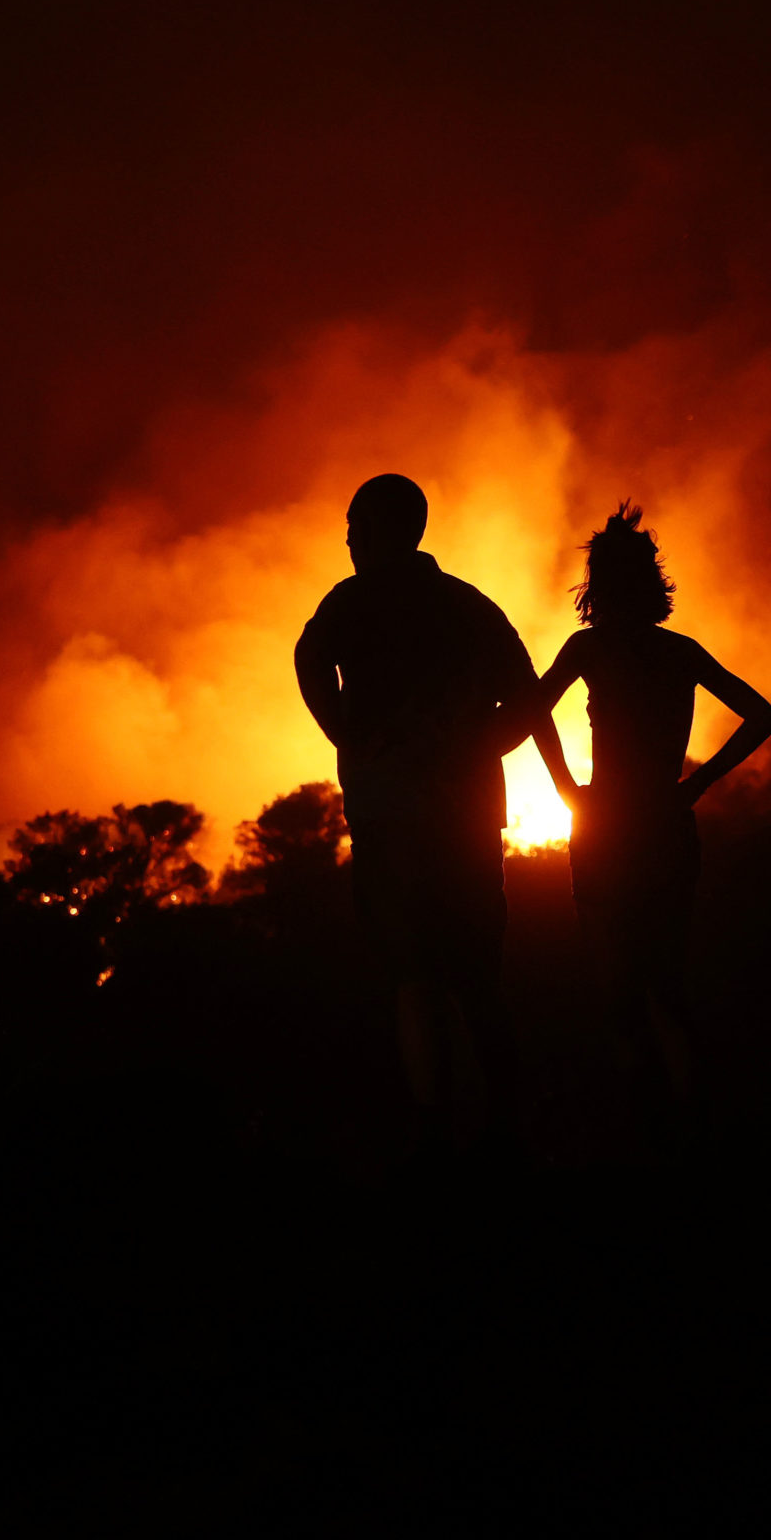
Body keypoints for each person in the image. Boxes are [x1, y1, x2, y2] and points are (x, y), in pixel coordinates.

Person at [294, 474, 542, 1144]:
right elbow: (527, 693)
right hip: (467, 817)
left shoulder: (352, 602)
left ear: (381, 530)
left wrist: (345, 733)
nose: (349, 541)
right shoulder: (467, 604)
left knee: (413, 975)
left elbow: (308, 659)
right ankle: (504, 1127)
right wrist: (482, 746)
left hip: (389, 817)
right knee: (478, 976)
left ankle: (435, 1133)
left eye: (356, 528)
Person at [525, 504, 771, 1117]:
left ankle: (648, 1119)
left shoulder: (589, 648)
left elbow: (532, 711)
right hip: (665, 823)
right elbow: (762, 716)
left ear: (596, 585)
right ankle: (689, 1117)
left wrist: (566, 787)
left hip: (605, 826)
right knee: (666, 983)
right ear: (652, 580)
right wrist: (697, 784)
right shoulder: (679, 652)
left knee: (618, 990)